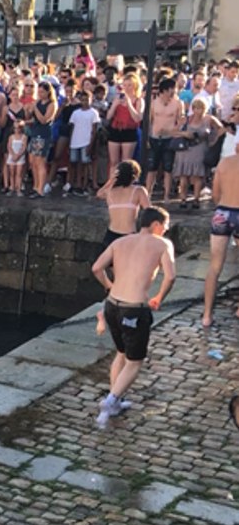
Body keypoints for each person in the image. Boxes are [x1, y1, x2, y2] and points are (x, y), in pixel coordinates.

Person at [91, 207, 176, 428]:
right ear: (156, 225)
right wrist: (159, 297)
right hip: (134, 309)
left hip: (112, 306)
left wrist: (109, 286)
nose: (166, 231)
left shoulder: (120, 242)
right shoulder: (162, 244)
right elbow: (171, 276)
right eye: (165, 226)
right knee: (134, 361)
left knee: (120, 353)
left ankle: (116, 399)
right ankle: (110, 401)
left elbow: (97, 268)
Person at [94, 160, 152, 335]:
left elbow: (99, 194)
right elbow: (149, 212)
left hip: (111, 236)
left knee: (111, 275)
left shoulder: (111, 191)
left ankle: (109, 299)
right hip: (127, 238)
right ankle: (113, 310)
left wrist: (110, 180)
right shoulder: (138, 191)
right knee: (126, 279)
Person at [203, 139, 239, 327]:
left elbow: (215, 194)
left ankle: (207, 315)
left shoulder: (224, 163)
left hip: (223, 212)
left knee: (215, 266)